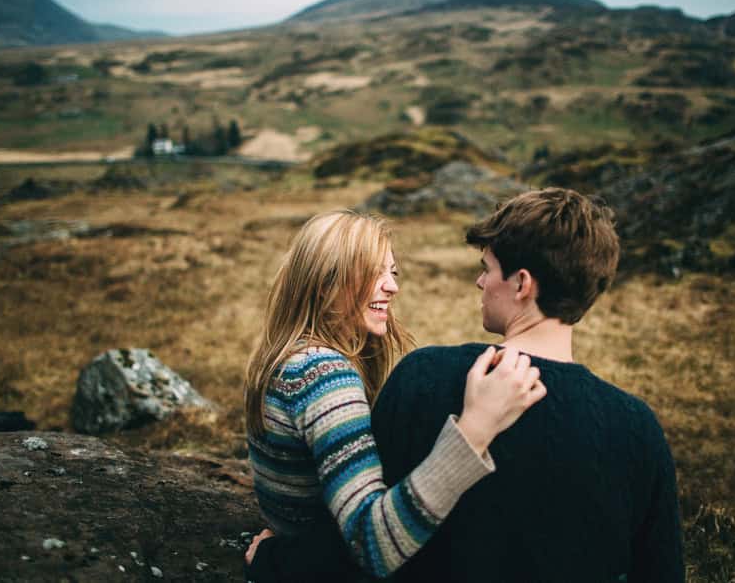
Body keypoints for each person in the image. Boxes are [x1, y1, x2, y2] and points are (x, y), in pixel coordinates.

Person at [371, 187, 684, 582]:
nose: (480, 282)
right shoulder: (638, 427)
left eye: (487, 267)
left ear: (522, 284)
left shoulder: (425, 377)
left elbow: (362, 537)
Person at [243, 210, 546, 582]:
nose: (392, 287)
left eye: (393, 272)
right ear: (325, 283)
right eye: (374, 272)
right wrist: (474, 430)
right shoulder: (321, 373)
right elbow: (372, 542)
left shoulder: (295, 356)